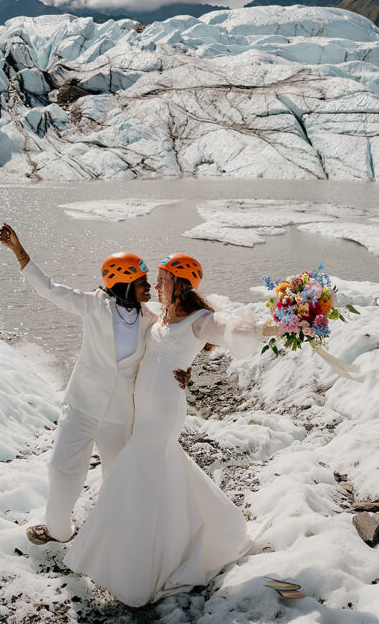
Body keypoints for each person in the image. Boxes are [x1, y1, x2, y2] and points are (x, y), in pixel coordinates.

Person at [64, 253, 268, 606]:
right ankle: (192, 537)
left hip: (161, 413)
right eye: (156, 280)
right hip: (144, 409)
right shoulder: (163, 315)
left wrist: (288, 324)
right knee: (164, 473)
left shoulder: (201, 319)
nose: (155, 285)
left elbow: (229, 327)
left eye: (162, 280)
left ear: (181, 284)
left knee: (138, 474)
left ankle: (139, 564)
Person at [0, 223, 189, 544]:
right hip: (82, 406)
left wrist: (185, 372)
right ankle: (59, 530)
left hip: (120, 416)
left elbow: (169, 353)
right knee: (62, 470)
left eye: (147, 281)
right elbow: (49, 288)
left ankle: (113, 540)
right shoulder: (92, 305)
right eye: (141, 281)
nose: (147, 287)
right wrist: (19, 252)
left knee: (118, 478)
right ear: (123, 282)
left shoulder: (151, 321)